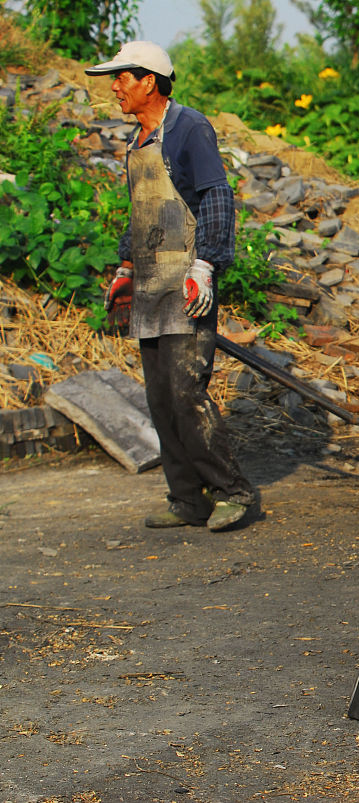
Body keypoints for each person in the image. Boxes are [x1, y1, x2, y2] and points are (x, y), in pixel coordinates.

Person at [88, 41, 257, 532]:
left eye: (122, 77)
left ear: (150, 82)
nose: (115, 87)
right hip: (149, 285)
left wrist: (207, 264)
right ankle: (187, 498)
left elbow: (216, 198)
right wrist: (124, 268)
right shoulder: (136, 142)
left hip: (187, 282)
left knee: (187, 392)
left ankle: (235, 492)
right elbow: (142, 214)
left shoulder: (189, 128)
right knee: (161, 398)